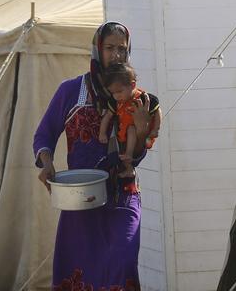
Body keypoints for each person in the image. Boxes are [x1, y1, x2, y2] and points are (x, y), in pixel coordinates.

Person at [34, 21, 154, 290]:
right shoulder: (71, 91)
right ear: (98, 49)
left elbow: (135, 157)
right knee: (78, 273)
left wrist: (143, 129)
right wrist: (46, 162)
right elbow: (44, 135)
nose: (116, 55)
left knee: (121, 264)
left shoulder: (134, 98)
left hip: (122, 193)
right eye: (110, 47)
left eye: (122, 49)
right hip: (81, 199)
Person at [98, 63, 161, 178]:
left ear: (132, 85)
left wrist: (156, 128)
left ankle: (129, 156)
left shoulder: (143, 98)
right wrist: (102, 133)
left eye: (119, 92)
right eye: (113, 93)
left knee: (131, 130)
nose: (116, 96)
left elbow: (157, 112)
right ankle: (129, 168)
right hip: (123, 135)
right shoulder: (116, 102)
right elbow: (107, 116)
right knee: (122, 152)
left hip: (141, 134)